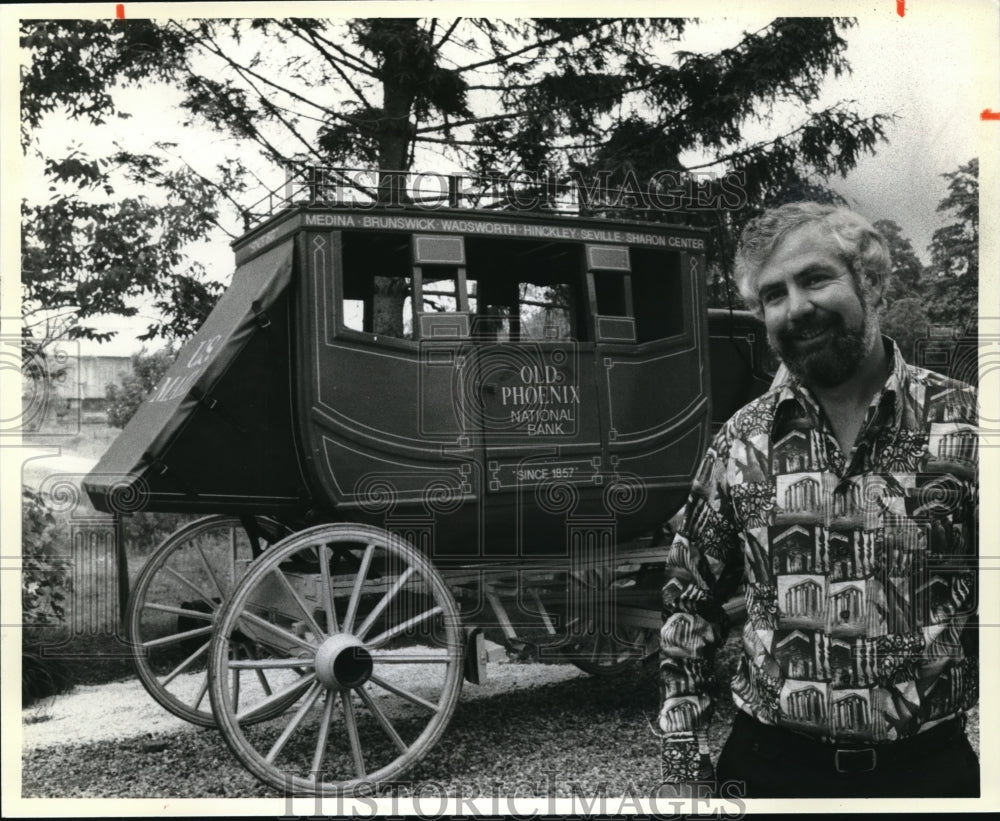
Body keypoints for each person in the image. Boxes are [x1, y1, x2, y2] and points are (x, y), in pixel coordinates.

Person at [657, 202, 979, 798]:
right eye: (773, 294)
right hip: (767, 771)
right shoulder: (740, 442)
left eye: (815, 279)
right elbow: (688, 603)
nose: (796, 307)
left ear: (872, 281)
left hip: (929, 777)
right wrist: (685, 764)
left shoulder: (968, 429)